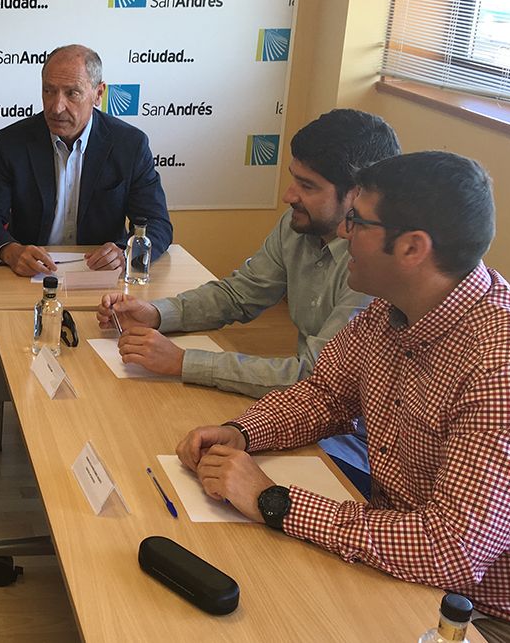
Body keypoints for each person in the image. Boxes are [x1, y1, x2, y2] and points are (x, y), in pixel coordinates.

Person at [176, 151, 510, 641]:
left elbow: (451, 552)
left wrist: (272, 500)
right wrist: (241, 431)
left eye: (358, 221)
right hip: (392, 552)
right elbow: (325, 395)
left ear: (412, 248)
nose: (342, 232)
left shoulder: (501, 364)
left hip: (483, 614)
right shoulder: (390, 308)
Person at [97, 109, 400, 492]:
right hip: (304, 418)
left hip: (354, 452)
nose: (289, 195)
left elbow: (314, 380)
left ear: (357, 194)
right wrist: (158, 313)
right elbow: (239, 294)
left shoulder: (374, 267)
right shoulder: (300, 226)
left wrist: (184, 361)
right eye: (294, 180)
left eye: (307, 186)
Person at [0, 43, 172, 277]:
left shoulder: (130, 145)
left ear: (98, 94)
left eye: (72, 93)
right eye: (49, 91)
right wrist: (11, 251)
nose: (57, 107)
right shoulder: (12, 142)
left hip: (102, 277)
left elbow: (157, 225)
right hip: (29, 276)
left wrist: (124, 255)